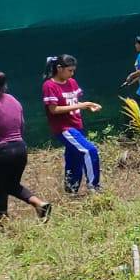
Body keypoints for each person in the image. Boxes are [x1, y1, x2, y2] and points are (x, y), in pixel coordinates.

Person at [42, 55, 101, 194]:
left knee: (74, 157)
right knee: (89, 150)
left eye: (73, 71)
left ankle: (71, 190)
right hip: (64, 128)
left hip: (77, 125)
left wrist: (88, 106)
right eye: (69, 70)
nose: (72, 73)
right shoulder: (49, 85)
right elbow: (54, 109)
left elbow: (74, 103)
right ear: (59, 68)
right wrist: (84, 105)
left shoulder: (72, 82)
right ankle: (94, 187)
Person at [0, 71, 51, 222]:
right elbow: (21, 126)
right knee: (10, 185)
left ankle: (3, 224)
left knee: (0, 188)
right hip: (20, 149)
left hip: (2, 151)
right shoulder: (13, 100)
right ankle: (40, 204)